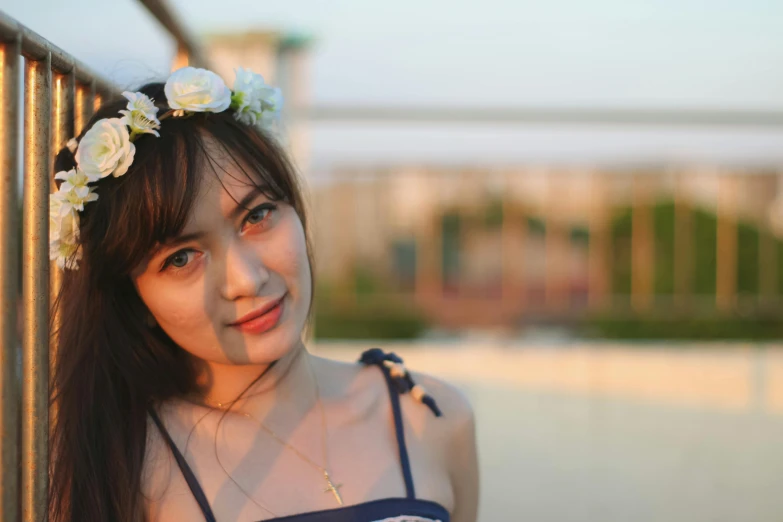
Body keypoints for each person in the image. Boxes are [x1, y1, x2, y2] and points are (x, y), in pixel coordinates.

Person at [48, 66, 479, 522]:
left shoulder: (434, 417)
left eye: (257, 215)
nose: (246, 280)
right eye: (180, 258)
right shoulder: (128, 467)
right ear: (134, 300)